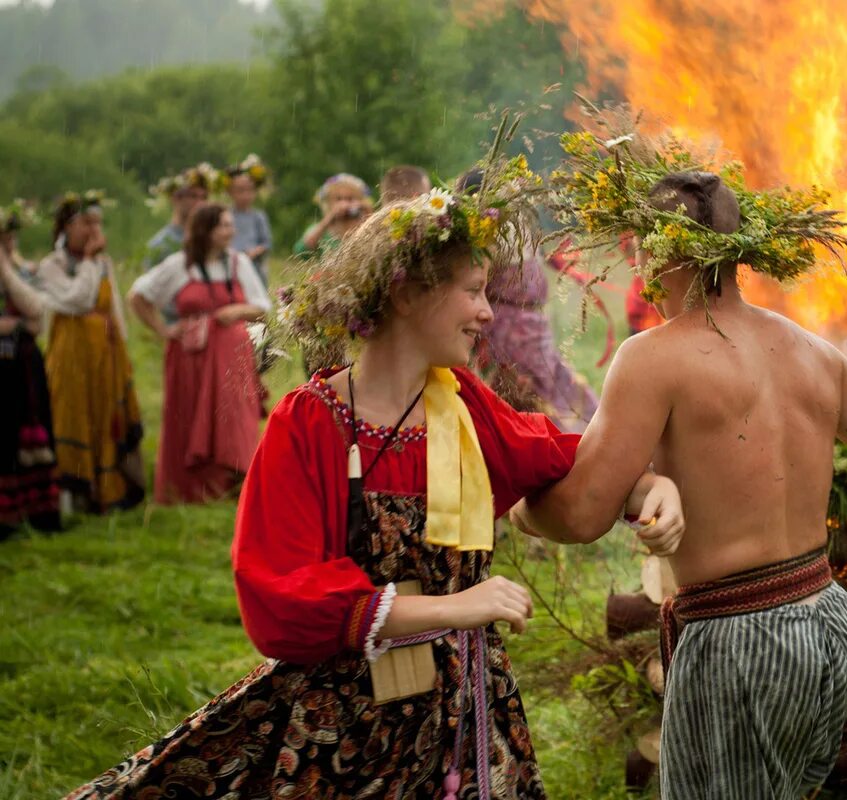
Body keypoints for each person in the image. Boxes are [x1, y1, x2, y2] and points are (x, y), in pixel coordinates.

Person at [67, 151, 683, 800]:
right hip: (352, 724)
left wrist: (648, 486)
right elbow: (279, 583)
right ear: (409, 292)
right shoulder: (311, 421)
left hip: (466, 712)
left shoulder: (462, 404)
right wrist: (452, 607)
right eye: (472, 290)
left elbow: (555, 451)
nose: (487, 313)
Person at [514, 132, 847, 798]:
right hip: (825, 624)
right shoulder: (811, 351)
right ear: (736, 251)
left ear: (655, 251)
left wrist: (519, 508)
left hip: (741, 648)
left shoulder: (653, 358)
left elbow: (585, 513)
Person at [129, 203, 270, 504]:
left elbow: (263, 307)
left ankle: (235, 485)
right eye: (224, 225)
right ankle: (190, 489)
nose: (231, 231)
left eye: (231, 224)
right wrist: (163, 329)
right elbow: (138, 296)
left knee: (234, 417)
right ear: (206, 230)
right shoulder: (180, 265)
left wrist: (238, 310)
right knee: (191, 417)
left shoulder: (238, 263)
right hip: (192, 359)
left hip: (233, 359)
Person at [457, 167, 599, 432]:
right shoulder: (482, 232)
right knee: (527, 386)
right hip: (508, 323)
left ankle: (581, 436)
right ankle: (548, 439)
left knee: (552, 378)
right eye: (501, 193)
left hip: (531, 319)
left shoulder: (515, 222)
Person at [37, 191, 144, 513]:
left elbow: (112, 309)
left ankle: (106, 490)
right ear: (66, 227)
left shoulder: (103, 263)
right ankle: (74, 492)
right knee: (71, 415)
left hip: (104, 355)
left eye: (97, 223)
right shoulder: (51, 265)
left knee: (104, 415)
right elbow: (78, 301)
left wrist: (122, 352)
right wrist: (86, 261)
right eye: (86, 223)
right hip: (70, 355)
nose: (94, 232)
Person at [0, 244, 60, 535]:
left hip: (20, 371)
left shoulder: (16, 275)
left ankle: (32, 511)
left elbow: (37, 313)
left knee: (21, 437)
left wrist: (5, 270)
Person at [144, 164, 217, 270]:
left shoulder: (212, 239)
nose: (200, 203)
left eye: (204, 197)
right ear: (175, 199)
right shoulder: (159, 245)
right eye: (193, 196)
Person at [293, 172, 373, 259]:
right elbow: (301, 252)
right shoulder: (322, 230)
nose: (344, 203)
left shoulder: (364, 227)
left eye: (350, 198)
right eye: (338, 199)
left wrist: (368, 212)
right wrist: (329, 218)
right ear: (328, 202)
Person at [225, 154, 273, 288]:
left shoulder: (258, 217)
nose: (245, 195)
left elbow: (266, 243)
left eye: (250, 190)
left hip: (254, 268)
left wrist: (253, 253)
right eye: (240, 191)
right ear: (230, 192)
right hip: (230, 269)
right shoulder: (225, 215)